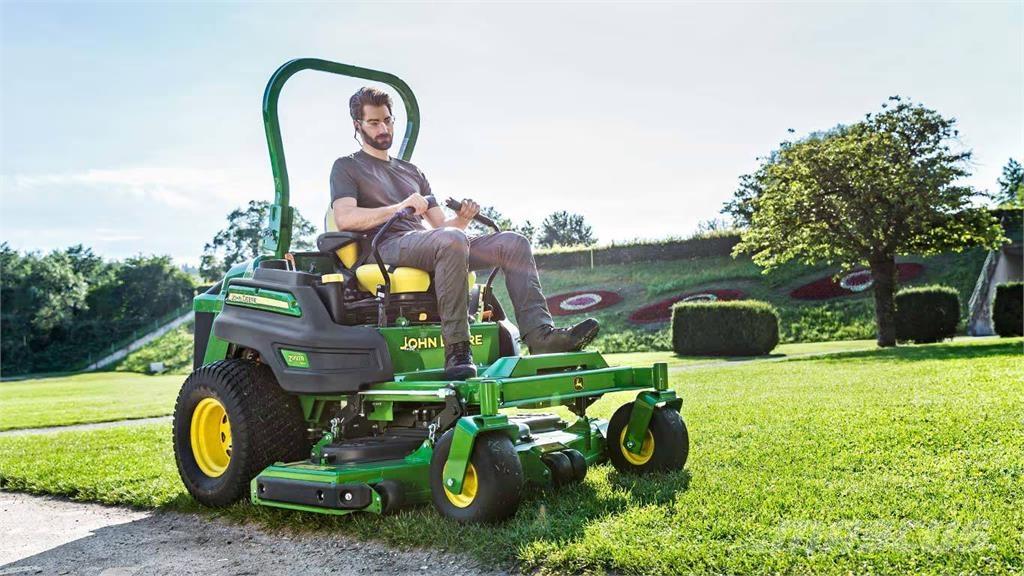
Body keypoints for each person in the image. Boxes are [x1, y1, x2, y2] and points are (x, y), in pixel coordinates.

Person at [331, 87, 599, 380]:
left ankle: (541, 338)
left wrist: (462, 218)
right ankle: (458, 349)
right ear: (357, 125)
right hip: (386, 246)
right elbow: (345, 217)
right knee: (451, 241)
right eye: (373, 122)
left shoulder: (412, 172)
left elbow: (443, 230)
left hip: (424, 242)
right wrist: (401, 206)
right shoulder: (347, 166)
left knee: (513, 243)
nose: (383, 128)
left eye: (387, 120)